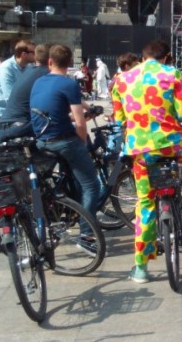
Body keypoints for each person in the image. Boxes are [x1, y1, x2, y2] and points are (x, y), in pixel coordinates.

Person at [111, 39, 182, 283]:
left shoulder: (121, 79)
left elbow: (119, 117)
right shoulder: (172, 74)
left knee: (145, 203)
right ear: (166, 57)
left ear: (143, 57)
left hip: (141, 151)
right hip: (173, 143)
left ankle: (141, 268)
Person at [29, 44, 102, 256]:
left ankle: (63, 209)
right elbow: (80, 123)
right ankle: (87, 235)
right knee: (91, 185)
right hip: (63, 141)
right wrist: (82, 142)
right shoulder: (69, 84)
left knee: (67, 175)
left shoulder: (38, 82)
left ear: (49, 62)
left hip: (41, 141)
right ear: (69, 64)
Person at [0, 44, 50, 141]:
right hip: (20, 125)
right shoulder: (46, 73)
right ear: (51, 60)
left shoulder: (29, 71)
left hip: (7, 123)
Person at [0, 40, 35, 135]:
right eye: (33, 52)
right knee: (7, 147)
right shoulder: (6, 68)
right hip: (0, 115)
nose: (36, 55)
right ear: (24, 54)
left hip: (18, 114)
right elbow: (10, 97)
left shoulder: (29, 67)